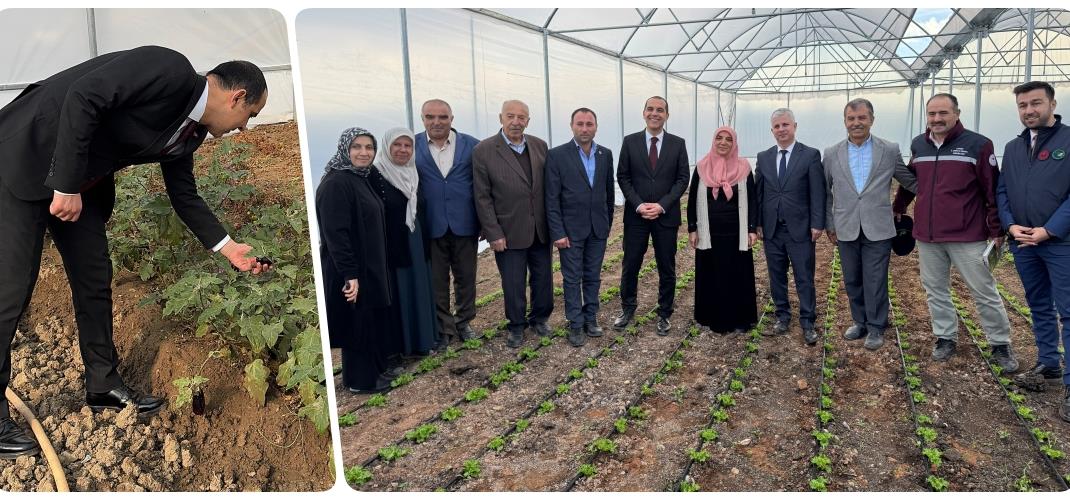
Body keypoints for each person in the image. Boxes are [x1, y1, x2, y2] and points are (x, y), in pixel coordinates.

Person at [0, 46, 270, 458]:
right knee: (12, 291)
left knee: (94, 276)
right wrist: (67, 183)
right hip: (25, 157)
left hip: (80, 181)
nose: (246, 128)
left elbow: (185, 196)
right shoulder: (169, 68)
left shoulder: (190, 132)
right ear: (236, 97)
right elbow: (85, 95)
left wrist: (229, 248)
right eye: (250, 115)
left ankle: (103, 384)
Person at [891, 93, 1018, 371]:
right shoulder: (919, 145)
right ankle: (945, 337)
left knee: (983, 289)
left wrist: (996, 230)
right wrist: (899, 206)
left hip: (967, 234)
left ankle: (1000, 343)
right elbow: (913, 181)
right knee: (935, 289)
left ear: (957, 114)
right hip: (927, 234)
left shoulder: (978, 145)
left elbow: (991, 189)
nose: (937, 119)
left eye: (943, 113)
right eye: (932, 114)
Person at [996, 81, 1070, 422]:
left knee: (1068, 311)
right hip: (1023, 242)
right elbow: (1002, 192)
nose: (1029, 110)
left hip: (1060, 241)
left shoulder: (1068, 141)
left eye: (1036, 103)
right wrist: (1011, 226)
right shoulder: (1013, 147)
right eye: (1023, 105)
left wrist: (1049, 229)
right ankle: (1049, 364)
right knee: (1038, 305)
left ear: (1052, 103)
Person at [824, 98, 917, 351]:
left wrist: (941, 192)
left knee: (875, 278)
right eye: (851, 119)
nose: (856, 123)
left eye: (862, 118)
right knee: (852, 277)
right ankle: (860, 322)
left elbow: (909, 181)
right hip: (845, 226)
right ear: (845, 121)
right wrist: (829, 223)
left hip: (878, 226)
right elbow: (826, 192)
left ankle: (876, 326)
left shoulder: (888, 149)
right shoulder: (832, 153)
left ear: (872, 119)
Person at [316, 128, 394, 394]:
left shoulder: (361, 177)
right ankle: (361, 381)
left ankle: (371, 372)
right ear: (345, 149)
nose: (364, 153)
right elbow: (335, 233)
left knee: (368, 318)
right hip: (349, 268)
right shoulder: (337, 183)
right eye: (357, 147)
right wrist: (350, 274)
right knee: (357, 322)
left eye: (369, 147)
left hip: (366, 266)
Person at [472, 100, 553, 348]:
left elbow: (547, 188)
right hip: (508, 230)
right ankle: (516, 326)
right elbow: (482, 196)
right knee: (513, 281)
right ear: (501, 118)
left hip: (540, 228)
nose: (516, 122)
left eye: (522, 117)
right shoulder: (484, 150)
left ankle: (540, 319)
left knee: (543, 277)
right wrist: (494, 232)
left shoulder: (540, 146)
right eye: (511, 116)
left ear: (528, 121)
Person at [615, 96, 691, 336]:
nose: (655, 113)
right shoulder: (630, 142)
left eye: (660, 110)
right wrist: (638, 205)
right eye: (650, 109)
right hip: (636, 216)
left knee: (666, 266)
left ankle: (664, 313)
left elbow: (682, 179)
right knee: (631, 265)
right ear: (643, 112)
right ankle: (628, 308)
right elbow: (623, 176)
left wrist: (661, 205)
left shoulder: (678, 144)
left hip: (665, 216)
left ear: (667, 115)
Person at [754, 109, 826, 345]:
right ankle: (782, 315)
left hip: (801, 229)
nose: (781, 129)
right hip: (772, 229)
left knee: (804, 276)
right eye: (777, 126)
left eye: (785, 124)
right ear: (772, 130)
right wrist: (758, 224)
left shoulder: (810, 155)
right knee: (776, 276)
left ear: (794, 126)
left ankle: (808, 321)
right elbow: (759, 194)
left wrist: (817, 223)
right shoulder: (764, 157)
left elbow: (818, 192)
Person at [414, 100, 482, 348]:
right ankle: (443, 327)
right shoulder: (411, 146)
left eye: (442, 117)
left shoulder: (472, 145)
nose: (436, 122)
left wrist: (484, 221)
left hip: (465, 223)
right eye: (430, 117)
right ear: (422, 119)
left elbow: (482, 185)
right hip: (430, 225)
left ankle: (464, 321)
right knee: (436, 280)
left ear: (452, 118)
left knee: (466, 277)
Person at [545, 108, 615, 347]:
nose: (585, 129)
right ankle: (575, 322)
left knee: (593, 276)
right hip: (570, 231)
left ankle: (590, 317)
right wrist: (558, 232)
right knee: (572, 278)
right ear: (572, 126)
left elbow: (608, 193)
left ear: (596, 126)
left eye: (589, 124)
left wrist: (607, 224)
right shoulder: (557, 155)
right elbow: (551, 198)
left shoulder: (605, 154)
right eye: (580, 124)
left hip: (598, 229)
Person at [370, 127, 438, 358]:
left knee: (419, 288)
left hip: (416, 240)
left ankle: (423, 341)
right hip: (393, 245)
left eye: (407, 145)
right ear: (387, 147)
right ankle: (403, 346)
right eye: (397, 145)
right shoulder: (375, 174)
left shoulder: (413, 172)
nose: (402, 150)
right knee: (401, 292)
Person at [687, 127, 758, 333]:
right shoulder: (701, 167)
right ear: (713, 140)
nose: (723, 142)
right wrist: (692, 228)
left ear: (734, 143)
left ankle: (739, 320)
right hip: (710, 233)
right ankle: (712, 318)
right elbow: (692, 200)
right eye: (719, 138)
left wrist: (752, 228)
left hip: (736, 234)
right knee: (711, 275)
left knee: (737, 275)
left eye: (728, 139)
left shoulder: (744, 167)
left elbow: (752, 200)